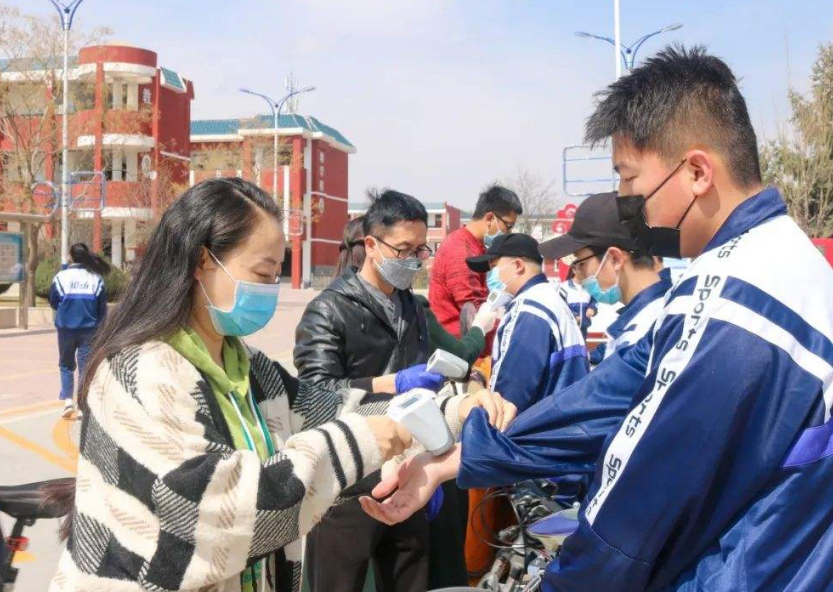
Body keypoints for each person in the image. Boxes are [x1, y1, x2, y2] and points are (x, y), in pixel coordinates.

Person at [361, 45, 833, 592]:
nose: (630, 203)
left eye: (630, 181)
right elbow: (611, 396)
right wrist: (459, 460)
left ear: (698, 171)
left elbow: (640, 500)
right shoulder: (785, 263)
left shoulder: (734, 300)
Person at [47, 178, 514, 592]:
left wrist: (451, 410)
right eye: (262, 275)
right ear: (201, 262)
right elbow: (216, 511)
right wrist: (364, 440)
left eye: (275, 275)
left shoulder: (244, 365)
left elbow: (329, 406)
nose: (271, 289)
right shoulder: (139, 371)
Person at [294, 190, 457, 592]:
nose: (413, 260)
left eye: (421, 249)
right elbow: (314, 396)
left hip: (406, 475)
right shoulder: (329, 309)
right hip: (346, 482)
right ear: (371, 244)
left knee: (409, 581)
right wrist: (393, 384)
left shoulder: (413, 308)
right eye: (403, 249)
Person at [465, 233, 589, 413]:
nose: (490, 276)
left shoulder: (528, 309)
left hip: (538, 431)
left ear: (517, 265)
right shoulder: (548, 297)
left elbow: (509, 397)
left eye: (494, 267)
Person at [541, 192, 673, 360]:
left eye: (581, 264)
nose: (579, 277)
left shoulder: (647, 331)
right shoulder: (641, 319)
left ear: (615, 259)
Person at [429, 184, 522, 344]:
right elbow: (474, 314)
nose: (509, 232)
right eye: (508, 226)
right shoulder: (460, 251)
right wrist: (513, 335)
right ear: (490, 218)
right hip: (456, 346)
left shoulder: (475, 246)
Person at [48, 242, 110, 418]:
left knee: (66, 365)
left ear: (71, 256)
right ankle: (83, 406)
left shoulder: (61, 277)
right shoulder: (96, 279)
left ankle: (68, 402)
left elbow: (53, 300)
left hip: (66, 329)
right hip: (89, 331)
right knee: (85, 367)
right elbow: (102, 309)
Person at [558, 269, 596, 341]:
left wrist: (592, 308)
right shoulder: (564, 287)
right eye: (581, 268)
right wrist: (573, 316)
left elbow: (594, 301)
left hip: (583, 329)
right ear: (574, 270)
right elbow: (560, 306)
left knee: (581, 350)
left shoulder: (589, 287)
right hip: (568, 329)